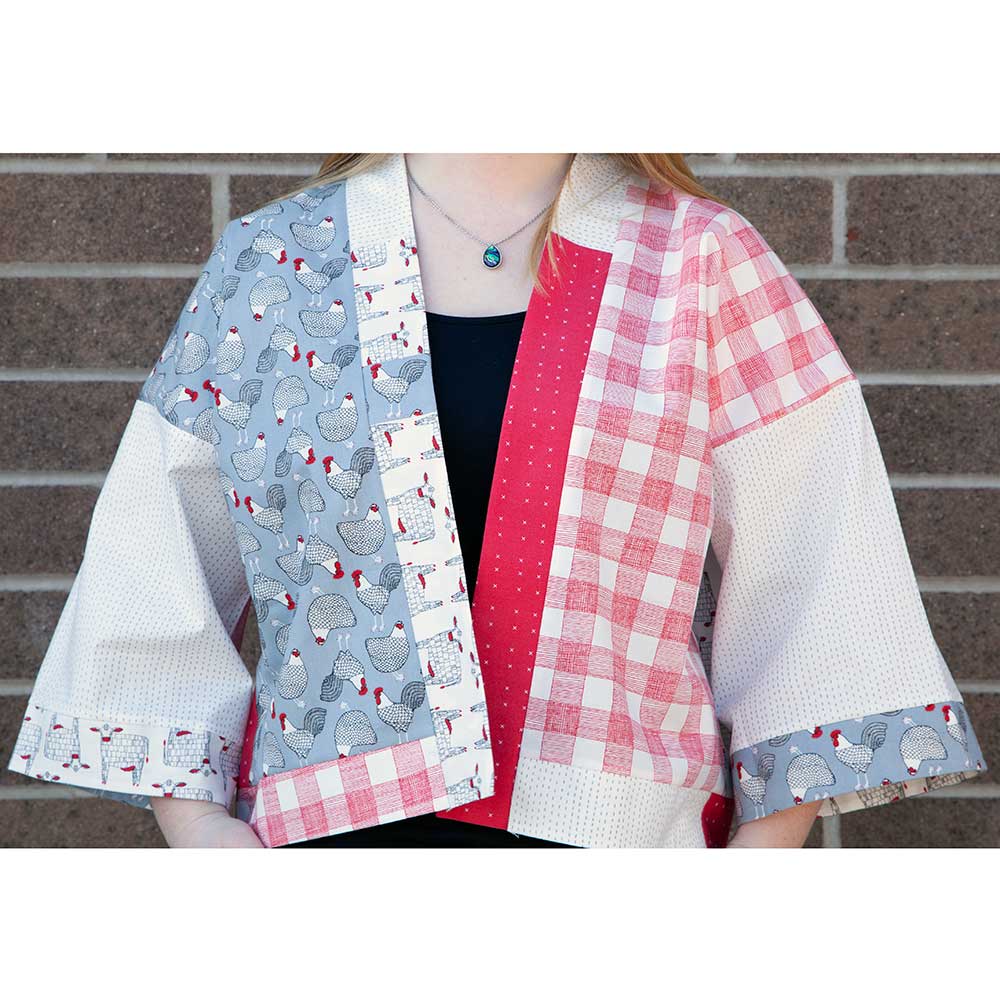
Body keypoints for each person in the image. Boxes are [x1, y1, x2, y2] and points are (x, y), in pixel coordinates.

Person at [7, 153, 987, 848]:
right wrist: (201, 836)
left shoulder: (702, 262)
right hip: (326, 857)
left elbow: (817, 558)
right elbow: (155, 555)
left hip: (620, 852)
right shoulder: (275, 263)